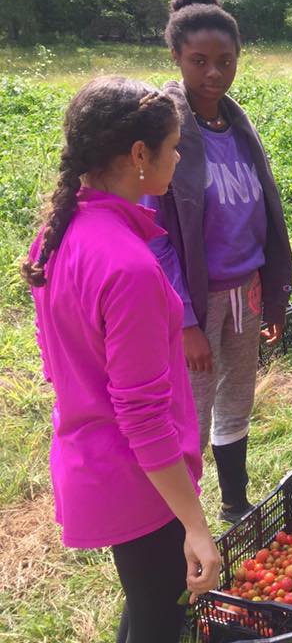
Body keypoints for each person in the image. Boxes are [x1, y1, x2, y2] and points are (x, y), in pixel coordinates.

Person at [23, 76, 221, 643]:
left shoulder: (59, 236)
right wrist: (195, 524)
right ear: (139, 155)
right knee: (163, 619)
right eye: (174, 145)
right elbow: (142, 416)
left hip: (95, 461)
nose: (178, 156)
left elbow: (58, 359)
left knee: (147, 606)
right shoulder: (128, 267)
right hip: (140, 481)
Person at [144, 0, 292, 523]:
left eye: (225, 61)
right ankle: (181, 521)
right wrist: (184, 320)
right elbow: (156, 236)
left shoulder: (237, 123)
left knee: (236, 399)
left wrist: (269, 292)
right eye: (199, 61)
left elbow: (261, 211)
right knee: (191, 406)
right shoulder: (166, 130)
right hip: (195, 299)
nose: (213, 73)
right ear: (177, 58)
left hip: (245, 291)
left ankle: (234, 502)